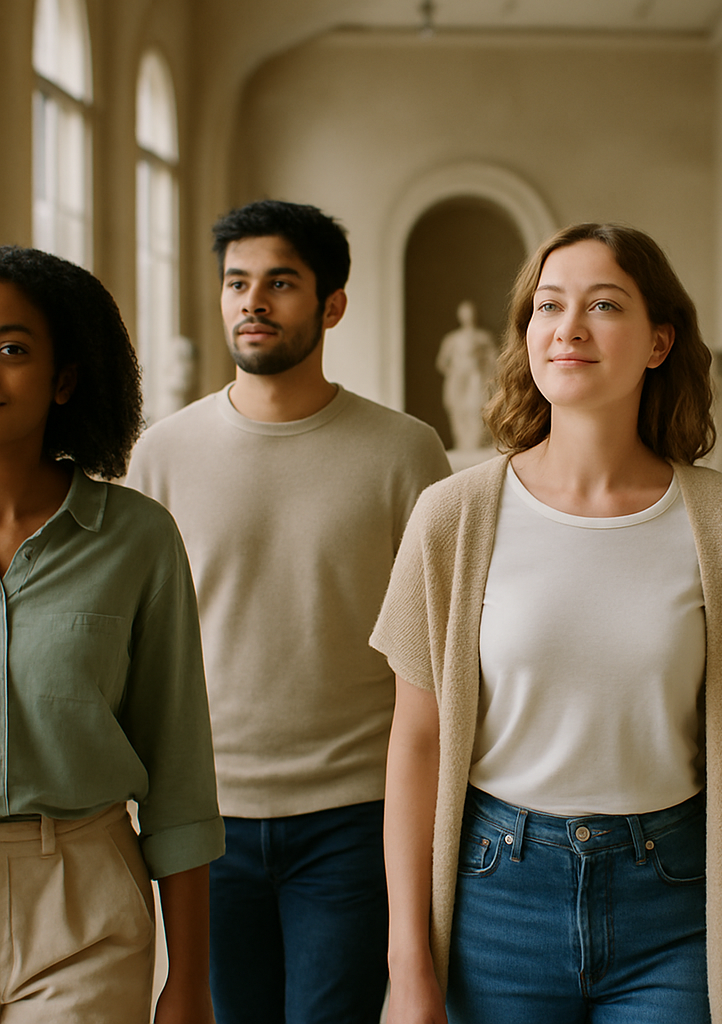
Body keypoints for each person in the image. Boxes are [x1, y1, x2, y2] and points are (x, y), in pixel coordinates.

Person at [372, 223, 722, 1024]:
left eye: (603, 304)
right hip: (495, 897)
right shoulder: (453, 517)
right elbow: (416, 743)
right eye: (548, 306)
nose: (568, 327)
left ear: (658, 341)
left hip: (675, 903)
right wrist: (408, 967)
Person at [126, 200, 450, 1024]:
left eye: (280, 282)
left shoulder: (403, 452)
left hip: (352, 814)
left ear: (331, 304)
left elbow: (437, 646)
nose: (252, 301)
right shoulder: (163, 452)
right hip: (205, 816)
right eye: (237, 282)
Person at [0, 246, 222, 1022]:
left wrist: (189, 983)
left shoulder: (136, 539)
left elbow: (179, 770)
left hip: (82, 908)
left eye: (12, 348)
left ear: (65, 377)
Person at [435, 299, 497, 453]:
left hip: (476, 378)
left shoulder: (483, 337)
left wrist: (483, 366)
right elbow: (442, 362)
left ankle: (475, 444)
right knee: (459, 411)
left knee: (476, 408)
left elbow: (494, 358)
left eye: (470, 313)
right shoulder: (453, 339)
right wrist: (456, 371)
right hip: (459, 378)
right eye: (464, 313)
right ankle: (464, 445)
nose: (468, 316)